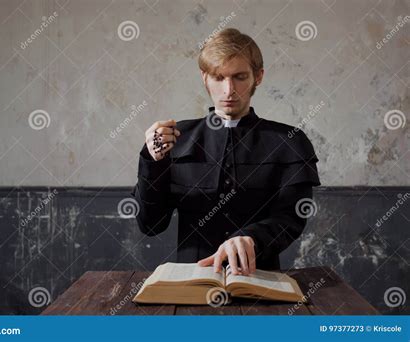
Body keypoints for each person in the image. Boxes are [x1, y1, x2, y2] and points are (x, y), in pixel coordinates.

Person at [131, 28, 321, 275]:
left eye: (240, 77)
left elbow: (291, 218)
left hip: (260, 282)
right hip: (191, 282)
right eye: (219, 77)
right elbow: (151, 225)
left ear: (258, 77)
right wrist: (153, 161)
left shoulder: (290, 142)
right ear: (205, 78)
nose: (229, 90)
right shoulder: (174, 139)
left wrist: (252, 238)